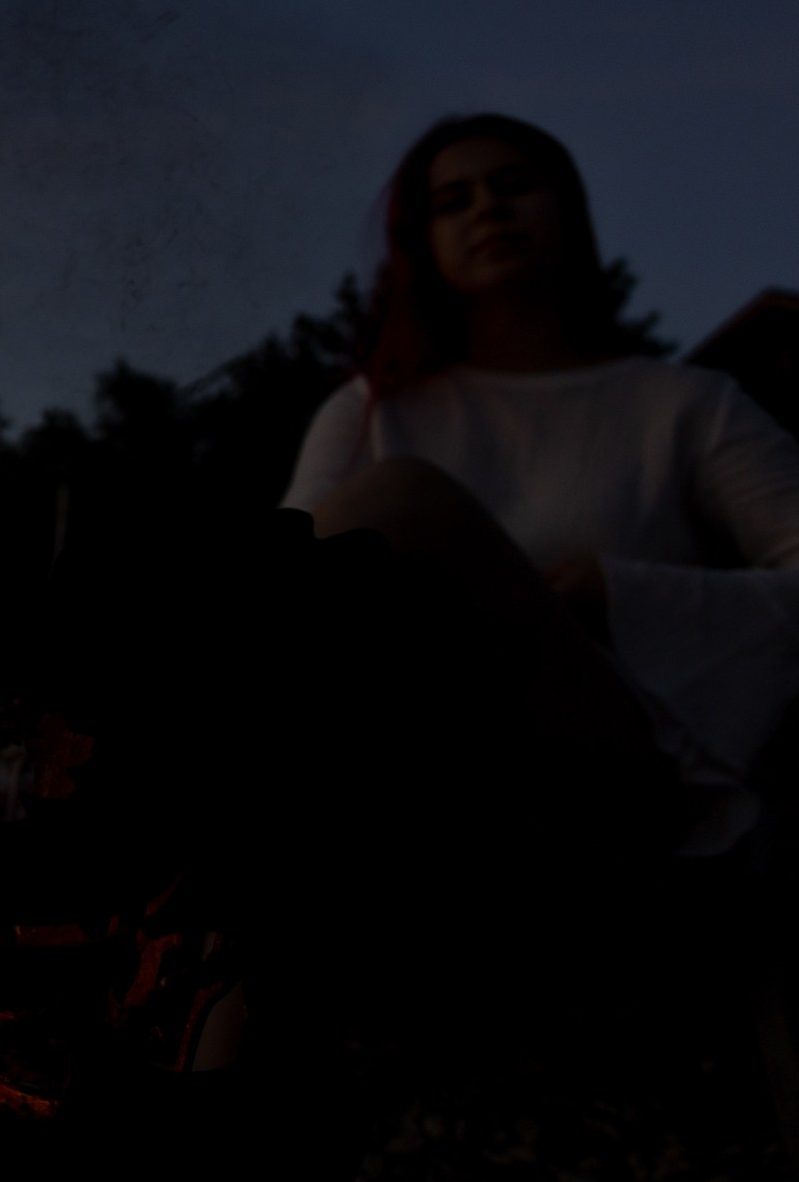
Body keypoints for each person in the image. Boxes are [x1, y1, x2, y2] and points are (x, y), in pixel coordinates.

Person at [282, 114, 799, 856]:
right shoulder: (374, 410)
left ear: (568, 209)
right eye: (453, 201)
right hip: (416, 743)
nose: (488, 208)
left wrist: (622, 590)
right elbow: (282, 597)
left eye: (513, 185)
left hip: (612, 762)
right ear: (422, 243)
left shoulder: (686, 405)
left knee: (402, 501)